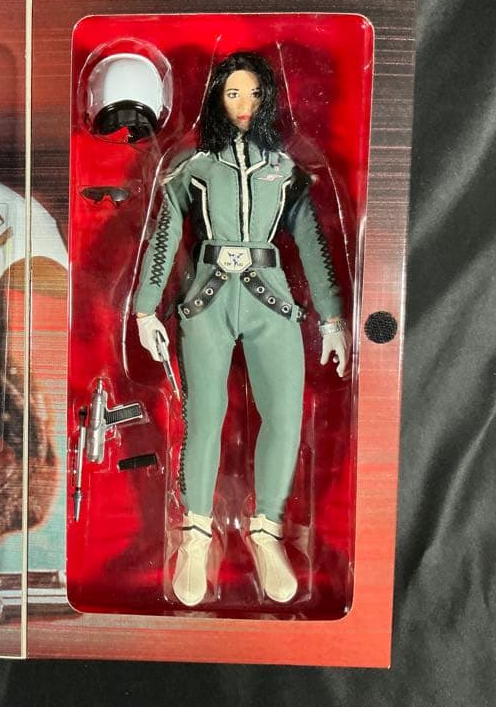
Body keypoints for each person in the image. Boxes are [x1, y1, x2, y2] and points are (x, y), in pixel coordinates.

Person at [133, 51, 351, 606]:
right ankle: (196, 535)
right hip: (206, 300)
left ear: (269, 98)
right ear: (217, 98)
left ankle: (267, 531)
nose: (244, 104)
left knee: (285, 416)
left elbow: (313, 244)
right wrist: (145, 309)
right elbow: (164, 235)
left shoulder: (286, 169)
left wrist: (332, 319)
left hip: (270, 300)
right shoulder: (194, 166)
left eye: (253, 93)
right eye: (233, 93)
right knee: (204, 418)